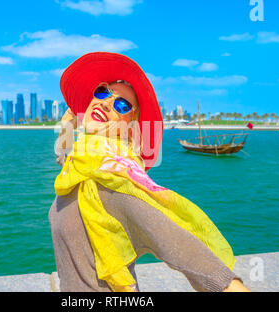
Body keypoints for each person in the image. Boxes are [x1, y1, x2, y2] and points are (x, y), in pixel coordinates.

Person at [49, 52, 250, 292]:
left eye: (121, 105)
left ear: (131, 130)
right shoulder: (79, 167)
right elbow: (64, 159)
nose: (105, 102)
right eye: (102, 92)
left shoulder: (116, 183)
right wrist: (66, 129)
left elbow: (188, 252)